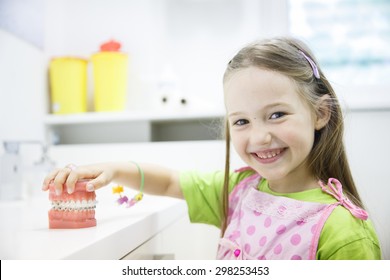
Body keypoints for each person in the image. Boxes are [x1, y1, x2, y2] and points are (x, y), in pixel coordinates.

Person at [42, 37, 381, 260]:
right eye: (242, 121)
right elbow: (171, 182)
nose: (260, 137)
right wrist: (113, 169)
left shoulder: (343, 231)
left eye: (276, 115)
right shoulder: (240, 191)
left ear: (320, 113)